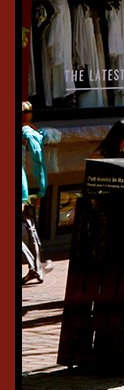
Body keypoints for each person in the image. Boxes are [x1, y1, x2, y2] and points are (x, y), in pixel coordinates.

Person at [21, 103, 48, 286]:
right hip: (31, 187)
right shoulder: (33, 132)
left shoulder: (26, 134)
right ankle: (36, 268)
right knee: (31, 229)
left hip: (24, 188)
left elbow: (36, 162)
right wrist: (41, 189)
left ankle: (33, 266)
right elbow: (40, 164)